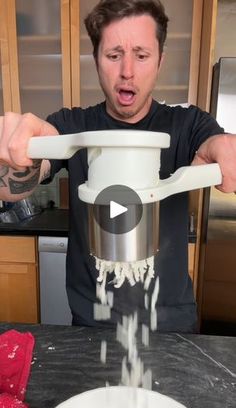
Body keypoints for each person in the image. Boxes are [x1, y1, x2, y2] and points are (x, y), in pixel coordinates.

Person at [0, 0, 235, 332]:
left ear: (159, 61)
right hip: (92, 321)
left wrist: (224, 146)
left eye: (141, 55)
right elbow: (14, 184)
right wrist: (14, 155)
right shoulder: (71, 123)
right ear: (96, 61)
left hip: (170, 322)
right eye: (113, 55)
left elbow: (214, 145)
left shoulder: (189, 124)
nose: (127, 71)